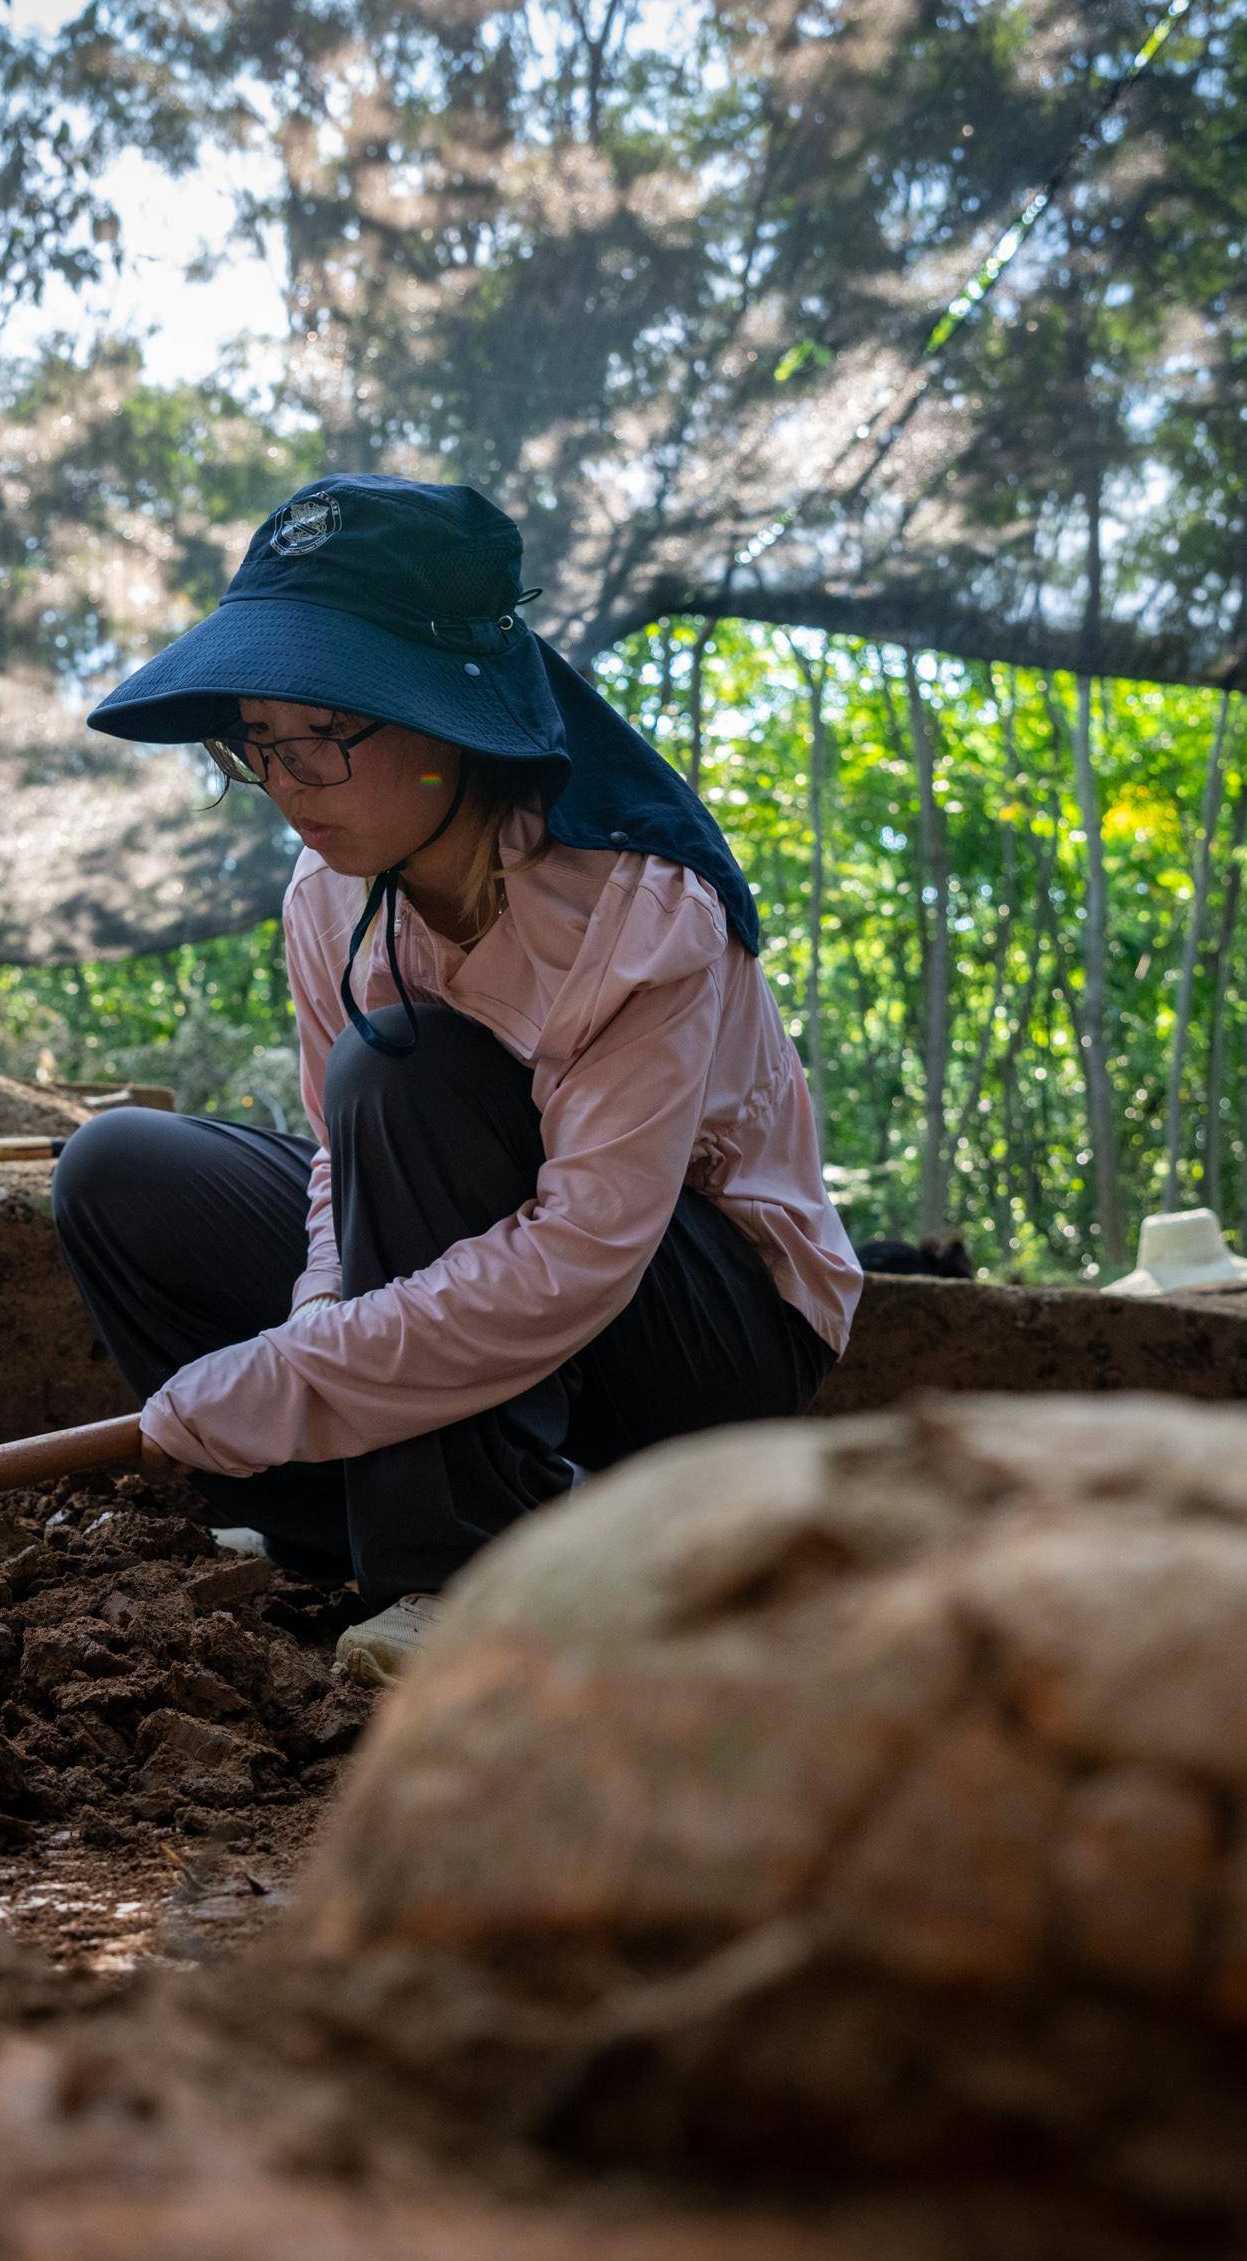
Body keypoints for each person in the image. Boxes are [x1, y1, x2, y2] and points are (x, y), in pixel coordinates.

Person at [52, 475, 860, 1682]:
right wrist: (322, 1306)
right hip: (517, 1315)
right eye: (257, 743)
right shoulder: (326, 898)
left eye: (326, 734)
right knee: (120, 1167)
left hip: (693, 1338)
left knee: (406, 1072)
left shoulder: (637, 909)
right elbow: (340, 1157)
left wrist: (300, 1369)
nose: (286, 783)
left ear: (447, 717)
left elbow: (581, 1252)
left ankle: (469, 1571)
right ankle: (332, 1529)